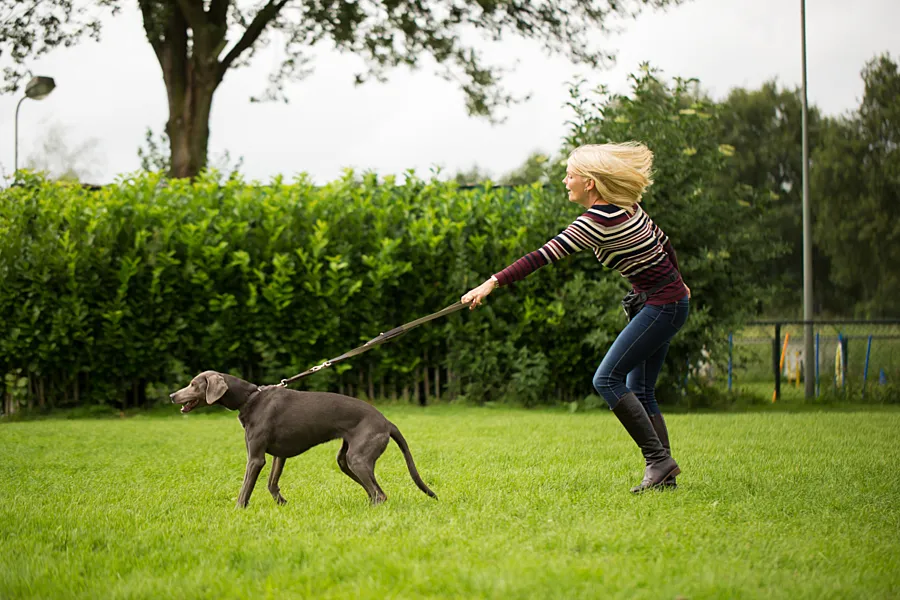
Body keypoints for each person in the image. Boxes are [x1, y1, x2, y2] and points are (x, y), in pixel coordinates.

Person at [461, 142, 690, 493]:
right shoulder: (628, 208)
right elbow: (665, 242)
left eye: (570, 175)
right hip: (662, 302)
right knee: (639, 388)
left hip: (662, 305)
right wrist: (680, 282)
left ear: (590, 184)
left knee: (606, 379)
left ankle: (658, 462)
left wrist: (491, 282)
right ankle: (664, 474)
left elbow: (541, 256)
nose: (565, 181)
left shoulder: (596, 222)